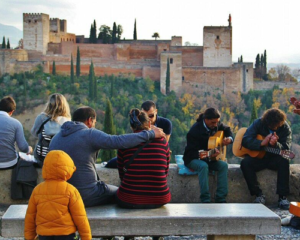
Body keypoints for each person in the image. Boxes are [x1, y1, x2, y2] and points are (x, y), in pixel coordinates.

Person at [49, 106, 165, 207]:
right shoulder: (89, 134)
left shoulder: (55, 139)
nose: (93, 126)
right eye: (94, 123)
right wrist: (150, 134)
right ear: (90, 121)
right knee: (119, 192)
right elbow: (117, 141)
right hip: (86, 195)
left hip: (60, 195)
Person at [24, 150, 91, 240]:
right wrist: (86, 237)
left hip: (44, 235)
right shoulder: (71, 190)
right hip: (66, 235)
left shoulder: (37, 190)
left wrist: (29, 237)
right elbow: (80, 217)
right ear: (67, 169)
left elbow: (30, 217)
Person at [116, 108, 171, 209]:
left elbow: (122, 175)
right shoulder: (163, 142)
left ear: (132, 128)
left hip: (129, 199)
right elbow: (165, 171)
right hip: (160, 198)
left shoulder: (125, 143)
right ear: (150, 125)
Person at [240, 108, 292, 210]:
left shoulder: (285, 127)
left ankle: (282, 197)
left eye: (277, 126)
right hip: (259, 158)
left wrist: (275, 144)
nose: (275, 128)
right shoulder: (258, 123)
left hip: (274, 158)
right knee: (245, 163)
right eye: (272, 127)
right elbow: (245, 140)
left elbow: (286, 147)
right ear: (266, 122)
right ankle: (258, 195)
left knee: (285, 160)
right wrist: (261, 143)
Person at [183, 108, 233, 203]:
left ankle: (221, 198)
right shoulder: (194, 132)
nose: (215, 125)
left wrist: (229, 139)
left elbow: (227, 129)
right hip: (193, 158)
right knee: (203, 166)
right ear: (206, 119)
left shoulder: (216, 125)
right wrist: (204, 154)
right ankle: (205, 199)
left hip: (210, 158)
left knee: (223, 166)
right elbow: (190, 153)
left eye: (217, 122)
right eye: (213, 122)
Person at [105, 100, 172, 168]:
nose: (148, 119)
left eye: (151, 116)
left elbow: (164, 146)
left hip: (155, 154)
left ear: (156, 111)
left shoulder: (165, 123)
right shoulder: (138, 123)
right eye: (145, 116)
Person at [31, 93, 71, 164]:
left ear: (49, 104)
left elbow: (34, 133)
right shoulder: (67, 121)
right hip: (60, 159)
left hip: (42, 158)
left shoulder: (41, 118)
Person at [0, 96, 32, 169]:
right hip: (9, 163)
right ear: (12, 112)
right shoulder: (16, 123)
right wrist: (29, 149)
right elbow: (23, 147)